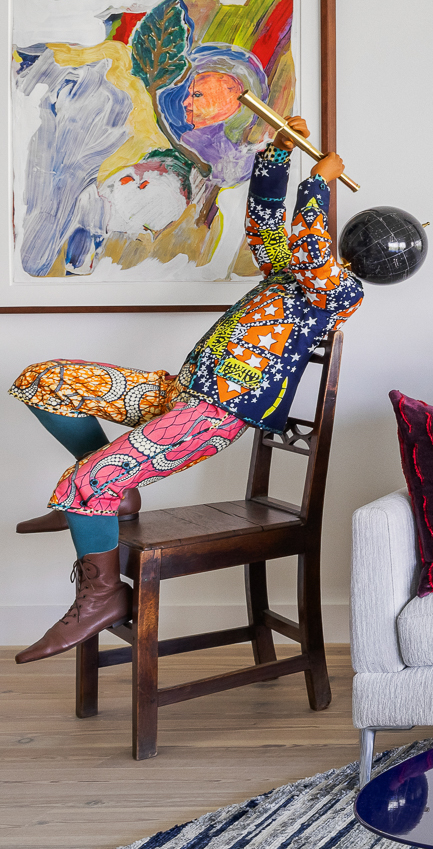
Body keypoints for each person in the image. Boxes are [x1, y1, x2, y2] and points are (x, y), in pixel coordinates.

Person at [14, 119, 377, 664]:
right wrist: (279, 156)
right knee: (44, 381)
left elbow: (309, 250)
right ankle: (113, 496)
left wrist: (316, 185)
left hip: (213, 416)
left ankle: (103, 593)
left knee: (87, 481)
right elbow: (264, 222)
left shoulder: (339, 292)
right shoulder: (290, 275)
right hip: (179, 393)